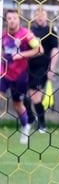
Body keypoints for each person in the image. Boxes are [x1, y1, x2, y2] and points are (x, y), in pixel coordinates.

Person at [1, 9, 43, 144]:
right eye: (9, 18)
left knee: (18, 105)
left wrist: (21, 55)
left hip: (19, 76)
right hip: (4, 73)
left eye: (14, 18)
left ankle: (25, 126)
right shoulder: (3, 35)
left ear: (19, 20)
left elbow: (39, 50)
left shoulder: (26, 34)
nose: (12, 20)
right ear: (6, 21)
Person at [24, 7, 59, 133]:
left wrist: (51, 68)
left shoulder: (50, 31)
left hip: (41, 69)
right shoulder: (30, 31)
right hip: (28, 68)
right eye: (37, 14)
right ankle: (32, 119)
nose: (39, 17)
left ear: (46, 16)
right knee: (24, 96)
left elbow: (55, 50)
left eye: (42, 14)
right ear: (34, 17)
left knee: (35, 97)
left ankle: (42, 124)